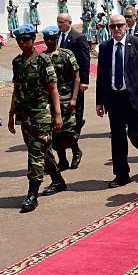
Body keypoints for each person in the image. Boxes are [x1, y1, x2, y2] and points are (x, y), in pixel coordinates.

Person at [8, 24, 66, 213]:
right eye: (19, 40)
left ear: (33, 40)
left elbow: (53, 89)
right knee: (43, 149)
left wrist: (57, 115)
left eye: (26, 39)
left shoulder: (43, 60)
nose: (22, 43)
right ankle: (58, 180)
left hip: (42, 114)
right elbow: (16, 89)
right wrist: (11, 114)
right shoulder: (17, 62)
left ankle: (32, 194)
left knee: (35, 152)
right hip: (24, 115)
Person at [96, 14, 138, 187]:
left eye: (120, 25)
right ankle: (122, 174)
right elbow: (101, 76)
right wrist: (99, 101)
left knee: (136, 134)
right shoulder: (105, 47)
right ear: (109, 28)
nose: (116, 29)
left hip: (133, 97)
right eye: (113, 26)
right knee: (117, 138)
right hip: (114, 99)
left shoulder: (137, 44)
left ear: (126, 26)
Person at [42, 25, 82, 171]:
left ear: (58, 39)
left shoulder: (66, 54)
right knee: (55, 133)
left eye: (53, 38)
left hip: (66, 98)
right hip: (51, 101)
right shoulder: (43, 57)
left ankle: (76, 151)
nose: (50, 41)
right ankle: (63, 160)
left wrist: (74, 98)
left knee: (68, 131)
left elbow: (76, 77)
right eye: (48, 39)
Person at [57, 13, 90, 138]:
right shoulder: (57, 36)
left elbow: (84, 60)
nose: (59, 24)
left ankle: (77, 128)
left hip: (75, 78)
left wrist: (84, 81)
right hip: (61, 79)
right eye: (58, 22)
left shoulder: (78, 37)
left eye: (62, 22)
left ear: (69, 22)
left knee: (77, 104)